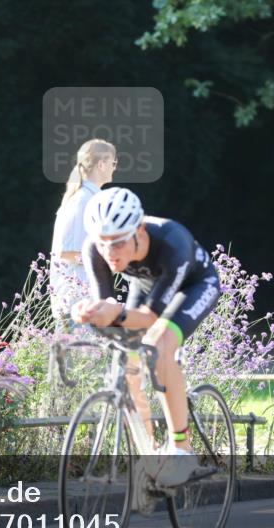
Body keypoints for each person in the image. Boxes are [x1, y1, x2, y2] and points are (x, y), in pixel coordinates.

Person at [72, 187, 221, 487]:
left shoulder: (172, 241)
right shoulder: (95, 249)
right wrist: (88, 312)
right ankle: (149, 452)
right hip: (147, 284)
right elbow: (108, 308)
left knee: (159, 345)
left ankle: (182, 448)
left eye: (118, 243)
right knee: (125, 358)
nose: (110, 253)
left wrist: (115, 314)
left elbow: (151, 318)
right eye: (103, 244)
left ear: (139, 229)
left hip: (193, 286)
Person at [50, 139, 117, 326]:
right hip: (76, 305)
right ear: (102, 164)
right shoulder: (83, 201)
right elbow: (67, 252)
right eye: (113, 163)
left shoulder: (90, 197)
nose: (114, 168)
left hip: (86, 303)